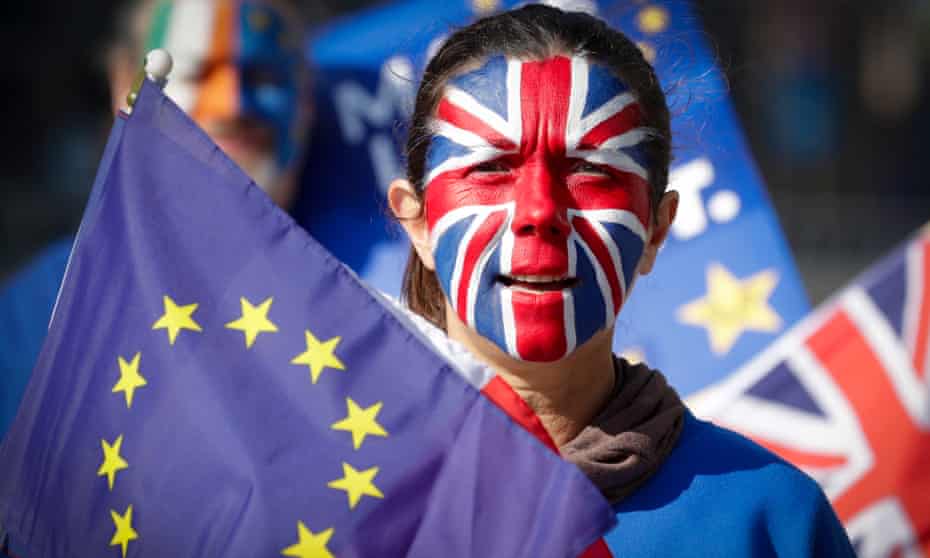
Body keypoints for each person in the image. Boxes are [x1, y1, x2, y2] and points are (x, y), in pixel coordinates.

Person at [386, 5, 857, 556]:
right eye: (491, 169)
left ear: (657, 229)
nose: (539, 211)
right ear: (416, 220)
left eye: (591, 170)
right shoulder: (317, 489)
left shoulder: (770, 517)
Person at [0, 0, 310, 441]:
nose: (233, 104)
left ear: (307, 101)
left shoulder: (382, 298)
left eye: (263, 77)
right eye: (196, 73)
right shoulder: (37, 315)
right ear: (123, 87)